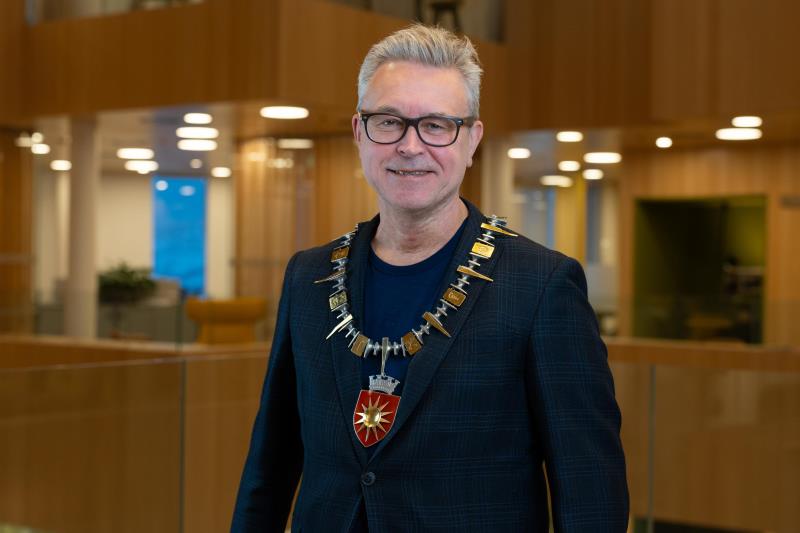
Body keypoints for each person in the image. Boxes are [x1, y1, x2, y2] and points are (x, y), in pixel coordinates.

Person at [232, 24, 628, 532]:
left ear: (472, 140)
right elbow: (269, 466)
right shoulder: (308, 277)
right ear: (359, 132)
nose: (410, 146)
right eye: (388, 122)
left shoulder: (541, 286)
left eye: (437, 125)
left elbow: (590, 492)